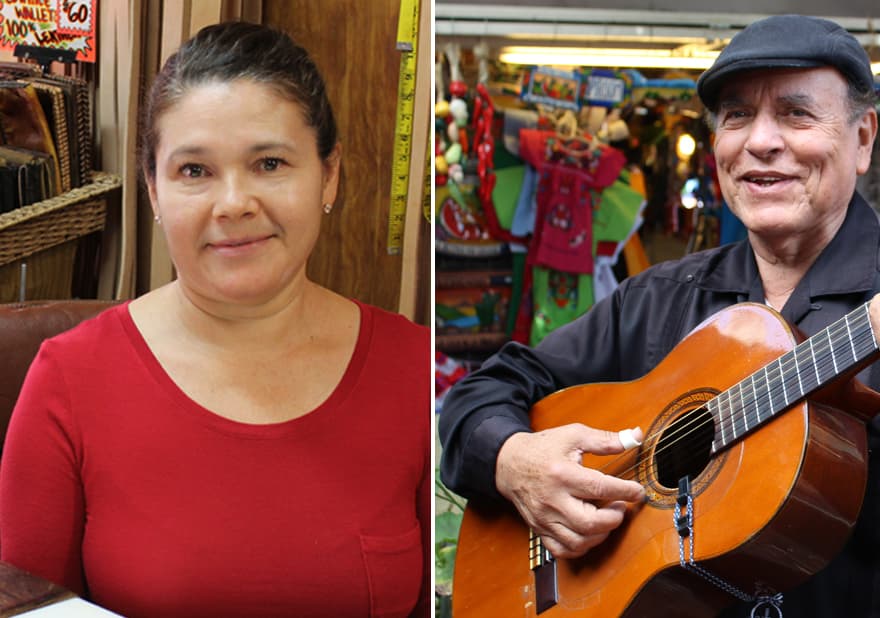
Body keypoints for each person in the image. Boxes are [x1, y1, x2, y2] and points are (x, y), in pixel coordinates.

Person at [439, 14, 880, 617]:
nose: (760, 141)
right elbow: (478, 398)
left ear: (862, 139)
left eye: (797, 114)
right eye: (736, 116)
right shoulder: (661, 297)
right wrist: (517, 462)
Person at [0, 21, 430, 618]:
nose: (234, 204)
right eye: (195, 171)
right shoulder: (67, 380)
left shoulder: (415, 370)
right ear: (153, 190)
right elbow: (27, 608)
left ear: (328, 175)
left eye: (270, 163)